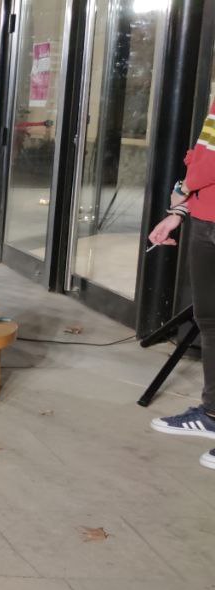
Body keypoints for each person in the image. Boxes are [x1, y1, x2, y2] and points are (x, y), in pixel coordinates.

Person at [147, 97, 215, 471]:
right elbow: (208, 149)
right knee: (210, 321)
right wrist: (179, 211)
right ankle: (213, 415)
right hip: (206, 218)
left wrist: (184, 187)